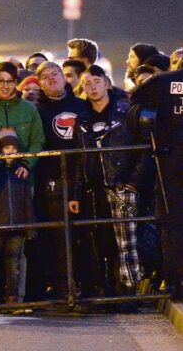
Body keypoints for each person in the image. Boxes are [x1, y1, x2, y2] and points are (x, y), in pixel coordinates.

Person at [69, 65, 143, 304]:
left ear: (107, 83)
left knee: (125, 242)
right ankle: (105, 293)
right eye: (87, 84)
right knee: (99, 243)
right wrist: (76, 193)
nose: (92, 87)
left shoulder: (125, 112)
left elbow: (143, 150)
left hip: (120, 185)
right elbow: (77, 158)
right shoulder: (82, 119)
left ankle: (128, 294)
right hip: (93, 189)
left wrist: (133, 181)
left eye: (96, 81)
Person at [32, 61, 87, 301]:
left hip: (83, 179)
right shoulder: (36, 111)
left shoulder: (82, 107)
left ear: (65, 78)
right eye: (44, 77)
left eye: (55, 74)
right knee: (56, 236)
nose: (51, 78)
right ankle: (63, 287)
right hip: (51, 181)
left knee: (83, 234)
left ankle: (87, 283)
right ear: (40, 85)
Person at [129, 64, 183, 299]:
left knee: (171, 222)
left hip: (169, 159)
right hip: (170, 159)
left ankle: (176, 282)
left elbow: (137, 96)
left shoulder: (164, 81)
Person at [0, 128, 35, 305]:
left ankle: (12, 296)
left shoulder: (21, 173)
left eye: (14, 149)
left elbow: (27, 202)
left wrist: (30, 227)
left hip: (17, 225)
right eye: (6, 149)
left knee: (14, 263)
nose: (10, 152)